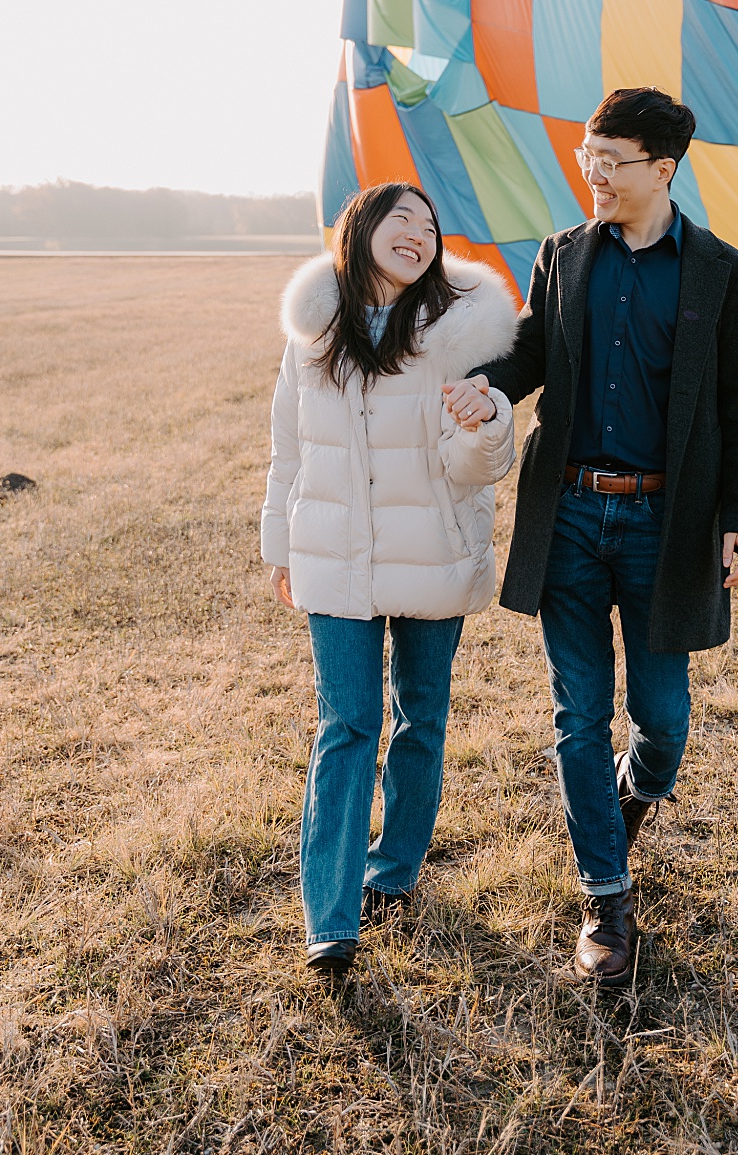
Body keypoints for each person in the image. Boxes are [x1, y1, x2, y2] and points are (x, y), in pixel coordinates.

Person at [456, 86, 738, 985]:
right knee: (579, 711)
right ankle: (607, 895)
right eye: (586, 157)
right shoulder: (562, 255)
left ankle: (629, 795)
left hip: (666, 521)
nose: (592, 174)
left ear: (662, 169)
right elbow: (533, 354)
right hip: (572, 514)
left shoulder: (720, 270)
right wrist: (490, 384)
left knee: (662, 720)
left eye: (611, 161)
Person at [263, 180, 518, 976]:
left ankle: (395, 867)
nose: (418, 232)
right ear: (361, 227)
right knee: (346, 725)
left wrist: (487, 423)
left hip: (430, 550)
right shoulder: (313, 332)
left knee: (422, 717)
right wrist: (281, 546)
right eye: (401, 217)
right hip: (334, 558)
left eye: (431, 225)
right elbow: (288, 450)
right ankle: (331, 920)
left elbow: (475, 466)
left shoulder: (457, 330)